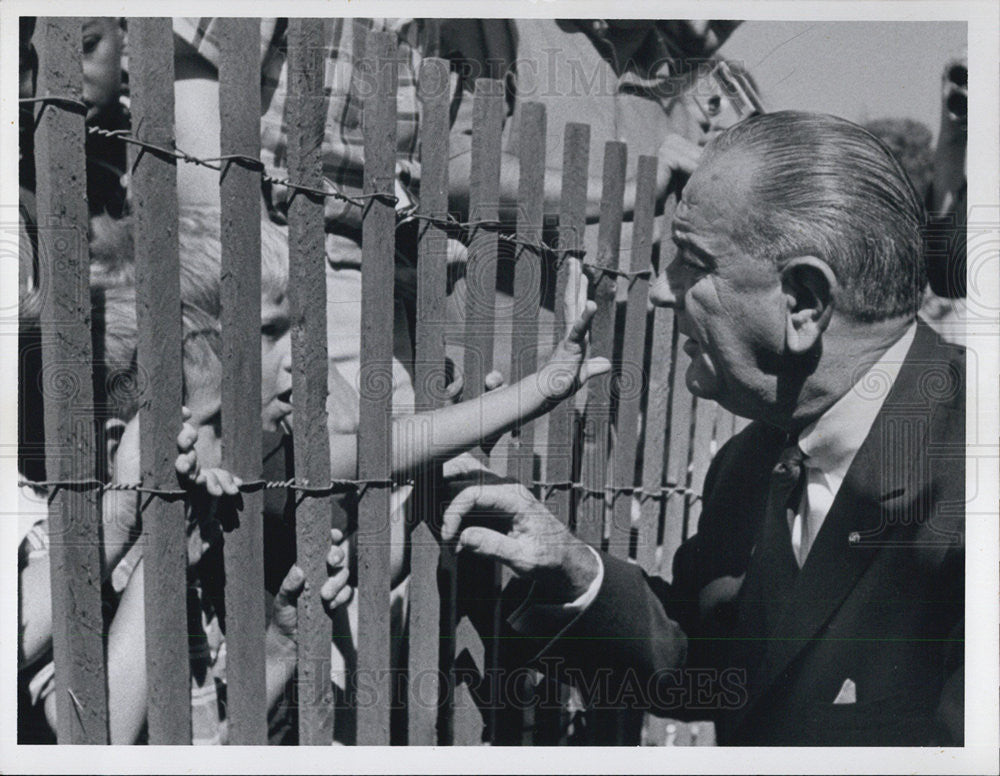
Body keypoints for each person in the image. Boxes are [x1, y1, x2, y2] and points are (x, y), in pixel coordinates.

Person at [441, 111, 964, 746]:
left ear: (802, 301)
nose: (661, 291)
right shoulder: (752, 464)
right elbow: (716, 665)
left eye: (692, 262)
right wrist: (575, 570)